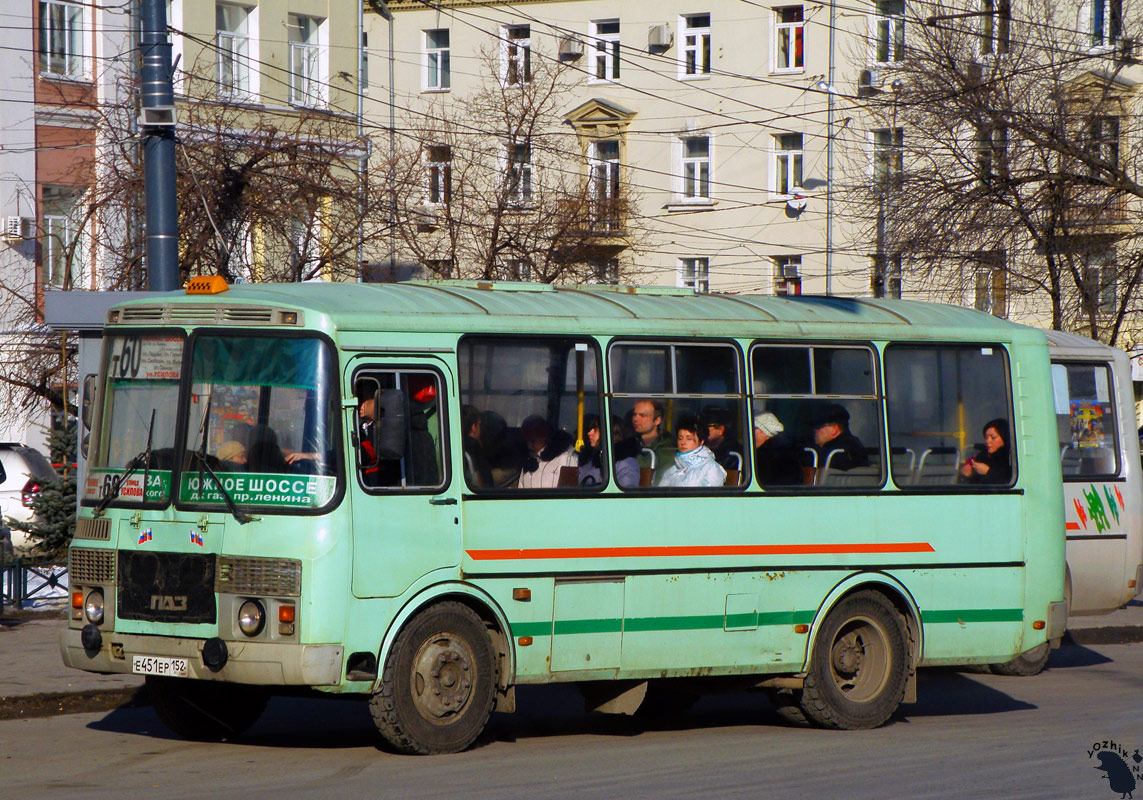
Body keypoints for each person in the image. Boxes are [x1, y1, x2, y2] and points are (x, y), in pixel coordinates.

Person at [657, 415, 727, 488]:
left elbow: (708, 496)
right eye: (680, 438)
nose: (683, 442)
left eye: (689, 438)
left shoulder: (711, 468)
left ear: (701, 441)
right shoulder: (672, 470)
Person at [517, 415, 578, 489]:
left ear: (544, 438)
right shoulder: (529, 460)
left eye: (533, 441)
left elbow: (568, 493)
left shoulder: (566, 459)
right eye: (527, 441)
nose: (529, 445)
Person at [807, 404, 868, 472]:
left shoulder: (832, 453)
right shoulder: (855, 444)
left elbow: (815, 479)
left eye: (818, 426)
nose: (815, 430)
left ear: (834, 429)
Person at [630, 399, 675, 484]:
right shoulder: (631, 444)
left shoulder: (668, 449)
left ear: (657, 420)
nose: (636, 419)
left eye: (642, 415)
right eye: (634, 414)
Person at [753, 412, 803, 486]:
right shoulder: (763, 451)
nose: (748, 432)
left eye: (753, 428)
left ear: (763, 432)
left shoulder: (776, 455)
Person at [960, 418, 1012, 485]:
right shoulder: (982, 456)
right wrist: (968, 475)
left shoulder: (1011, 458)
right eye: (986, 437)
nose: (987, 441)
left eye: (993, 437)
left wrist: (988, 472)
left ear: (1005, 438)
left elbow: (1009, 480)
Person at [703, 407, 743, 473]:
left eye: (706, 427)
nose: (702, 430)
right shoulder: (698, 448)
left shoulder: (733, 455)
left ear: (720, 430)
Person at [461, 404, 493, 488]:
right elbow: (486, 483)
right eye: (479, 424)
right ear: (473, 427)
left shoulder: (453, 448)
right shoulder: (475, 450)